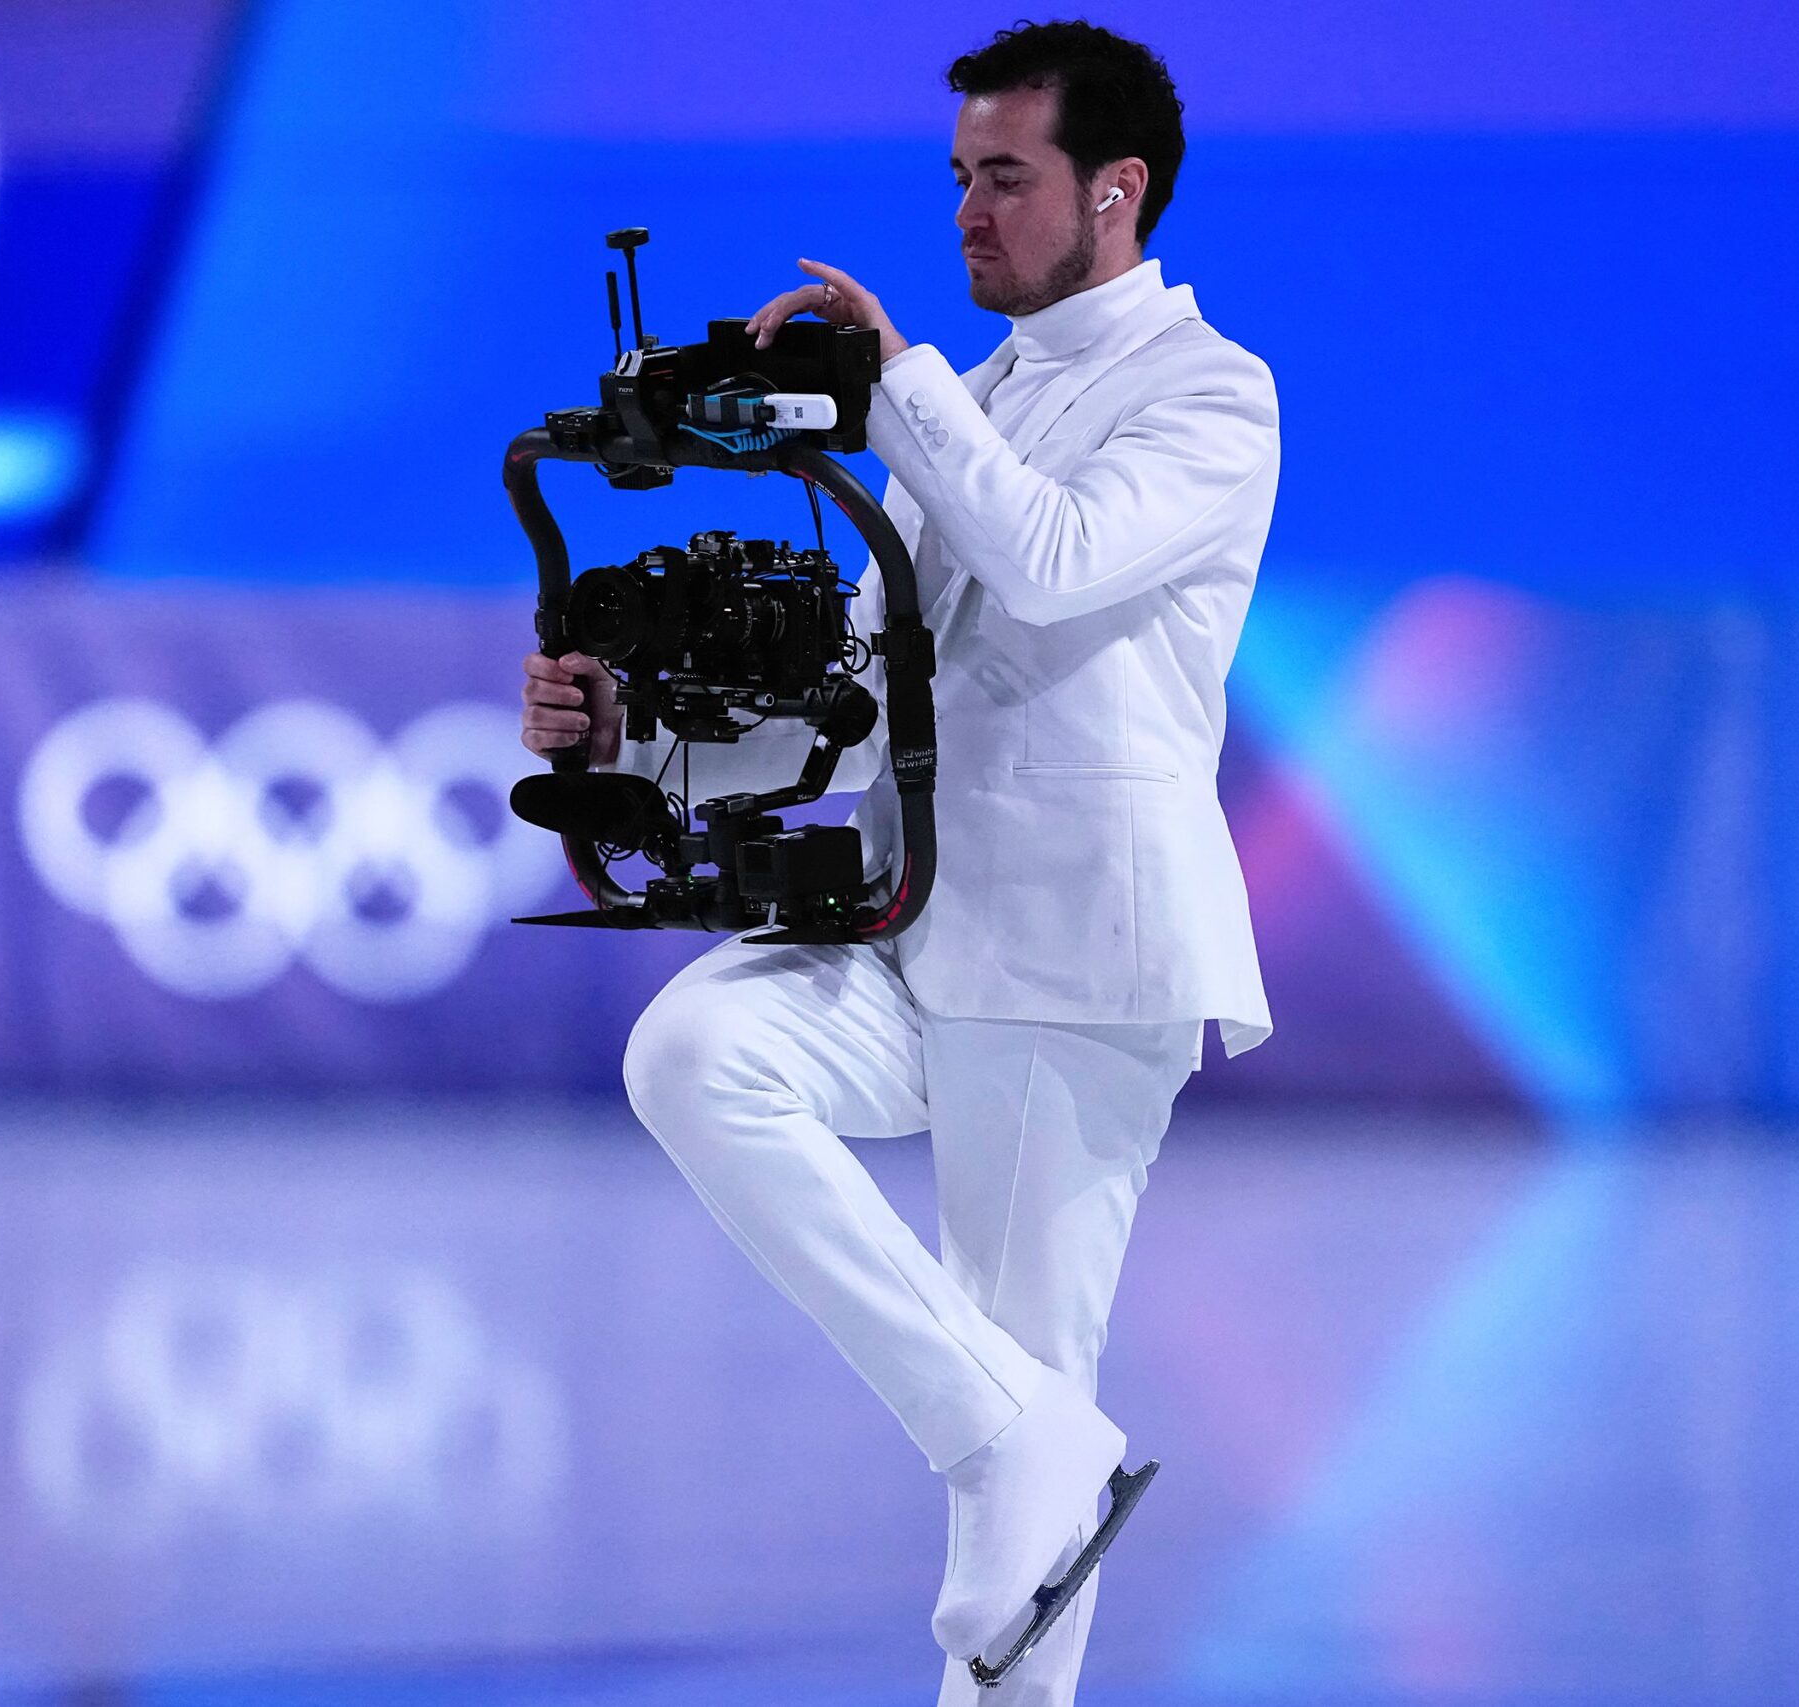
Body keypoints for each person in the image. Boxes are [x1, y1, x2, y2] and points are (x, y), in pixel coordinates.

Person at [521, 20, 1280, 1704]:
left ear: (1117, 191)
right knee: (698, 1053)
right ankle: (1030, 1443)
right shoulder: (971, 406)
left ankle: (1026, 1459)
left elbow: (1058, 558)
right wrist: (631, 736)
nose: (969, 211)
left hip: (1084, 954)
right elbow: (868, 699)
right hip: (912, 916)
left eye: (1006, 178)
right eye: (959, 177)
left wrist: (900, 382)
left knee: (1017, 1444)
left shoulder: (1211, 392)